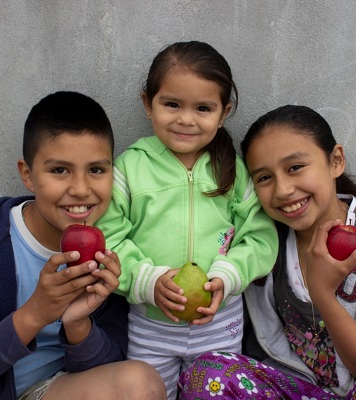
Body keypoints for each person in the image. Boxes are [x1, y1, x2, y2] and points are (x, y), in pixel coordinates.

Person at [0, 91, 166, 400]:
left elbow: (106, 372)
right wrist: (36, 313)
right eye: (59, 170)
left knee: (140, 384)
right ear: (28, 174)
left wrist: (78, 322)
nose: (81, 189)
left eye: (96, 170)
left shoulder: (111, 250)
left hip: (43, 391)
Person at [178, 105, 356, 399]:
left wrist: (322, 293)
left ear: (336, 161)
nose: (283, 190)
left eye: (295, 167)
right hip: (292, 390)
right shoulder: (261, 242)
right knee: (209, 373)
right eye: (264, 178)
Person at [96, 41, 279, 399]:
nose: (186, 119)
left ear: (224, 113)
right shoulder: (130, 169)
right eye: (172, 104)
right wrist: (146, 279)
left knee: (219, 393)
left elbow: (260, 238)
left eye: (203, 108)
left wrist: (228, 276)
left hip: (220, 322)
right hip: (151, 324)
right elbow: (107, 237)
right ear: (148, 103)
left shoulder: (234, 170)